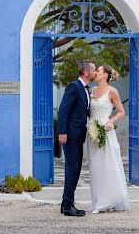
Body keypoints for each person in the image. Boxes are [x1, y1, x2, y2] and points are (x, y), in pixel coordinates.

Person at [87, 64, 130, 214]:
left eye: (98, 71)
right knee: (95, 166)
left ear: (105, 75)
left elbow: (121, 111)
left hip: (106, 131)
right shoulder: (92, 91)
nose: (96, 73)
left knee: (108, 165)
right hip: (92, 131)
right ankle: (99, 200)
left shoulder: (113, 91)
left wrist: (111, 121)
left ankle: (110, 200)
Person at [58, 60, 97, 217]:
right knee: (73, 170)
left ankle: (65, 203)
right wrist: (62, 132)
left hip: (78, 135)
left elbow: (84, 111)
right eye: (94, 70)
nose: (95, 72)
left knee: (74, 169)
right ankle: (68, 205)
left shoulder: (85, 89)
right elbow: (63, 110)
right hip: (70, 136)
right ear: (86, 73)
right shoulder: (74, 87)